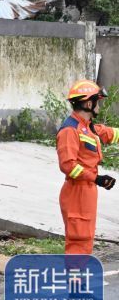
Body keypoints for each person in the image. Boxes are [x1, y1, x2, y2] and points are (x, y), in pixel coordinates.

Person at [56, 80, 117, 255]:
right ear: (89, 104)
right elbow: (68, 165)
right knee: (79, 241)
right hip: (77, 192)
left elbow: (108, 133)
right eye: (98, 101)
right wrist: (96, 178)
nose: (100, 106)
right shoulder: (70, 130)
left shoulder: (87, 128)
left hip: (87, 192)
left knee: (86, 240)